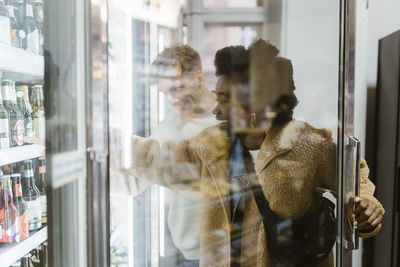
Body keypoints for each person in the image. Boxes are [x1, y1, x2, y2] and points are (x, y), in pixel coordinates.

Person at [125, 40, 384, 266]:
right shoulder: (212, 143)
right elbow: (158, 160)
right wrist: (115, 144)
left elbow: (356, 181)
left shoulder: (307, 144)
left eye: (225, 100)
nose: (215, 111)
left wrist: (366, 210)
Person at [112, 45, 217, 266]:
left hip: (234, 247)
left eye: (177, 88)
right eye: (165, 93)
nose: (172, 99)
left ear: (198, 77)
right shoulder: (170, 127)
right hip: (193, 253)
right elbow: (135, 180)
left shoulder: (234, 117)